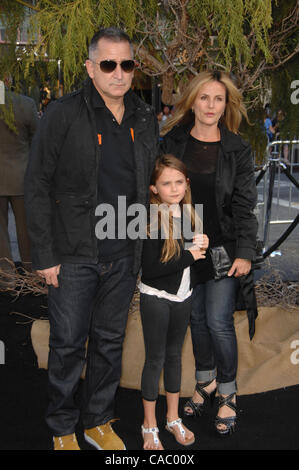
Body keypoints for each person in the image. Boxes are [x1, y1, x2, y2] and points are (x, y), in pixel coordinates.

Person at [25, 27, 159, 451]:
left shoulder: (142, 116)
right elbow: (37, 184)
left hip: (125, 252)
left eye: (127, 64)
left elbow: (150, 182)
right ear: (90, 67)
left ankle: (98, 420)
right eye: (108, 64)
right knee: (67, 345)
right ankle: (63, 426)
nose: (119, 73)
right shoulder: (63, 114)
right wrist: (44, 255)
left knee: (108, 342)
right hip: (73, 253)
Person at [161, 70, 258, 436]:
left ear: (226, 104)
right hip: (184, 249)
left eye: (218, 99)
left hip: (224, 250)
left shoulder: (237, 148)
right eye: (204, 98)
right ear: (192, 101)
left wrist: (245, 252)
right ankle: (206, 383)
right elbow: (159, 196)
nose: (211, 106)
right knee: (196, 321)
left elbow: (246, 205)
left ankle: (229, 392)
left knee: (217, 320)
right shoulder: (173, 143)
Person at [138, 154, 209, 449]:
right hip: (156, 297)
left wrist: (203, 244)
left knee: (175, 357)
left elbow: (195, 260)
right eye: (166, 183)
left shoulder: (191, 213)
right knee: (155, 359)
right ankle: (149, 424)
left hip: (183, 296)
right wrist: (189, 255)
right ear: (154, 188)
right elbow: (152, 269)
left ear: (187, 184)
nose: (175, 188)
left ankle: (172, 418)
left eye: (179, 181)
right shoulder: (151, 218)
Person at [0, 79, 38, 278]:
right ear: (8, 80)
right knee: (26, 229)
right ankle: (32, 273)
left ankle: (7, 276)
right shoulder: (25, 104)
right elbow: (37, 138)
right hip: (22, 176)